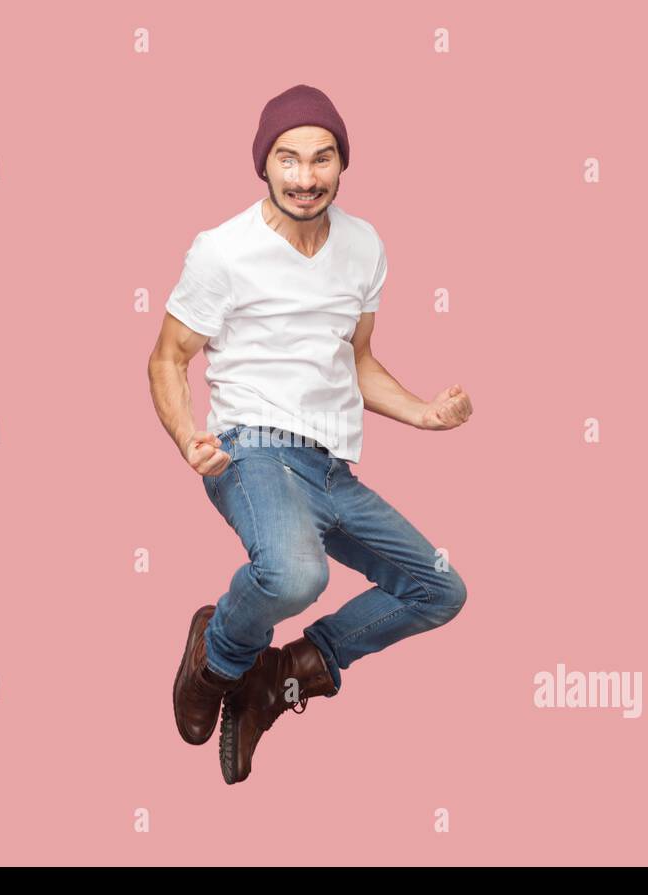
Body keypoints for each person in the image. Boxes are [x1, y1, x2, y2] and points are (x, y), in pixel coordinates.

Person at [148, 84, 472, 784]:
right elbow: (168, 357)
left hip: (332, 468)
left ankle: (283, 676)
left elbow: (354, 359)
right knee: (297, 573)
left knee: (439, 590)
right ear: (263, 165)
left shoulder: (364, 245)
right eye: (288, 159)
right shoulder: (222, 251)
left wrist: (423, 413)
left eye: (321, 158)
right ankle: (221, 658)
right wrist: (186, 438)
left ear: (341, 163)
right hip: (251, 452)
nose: (305, 176)